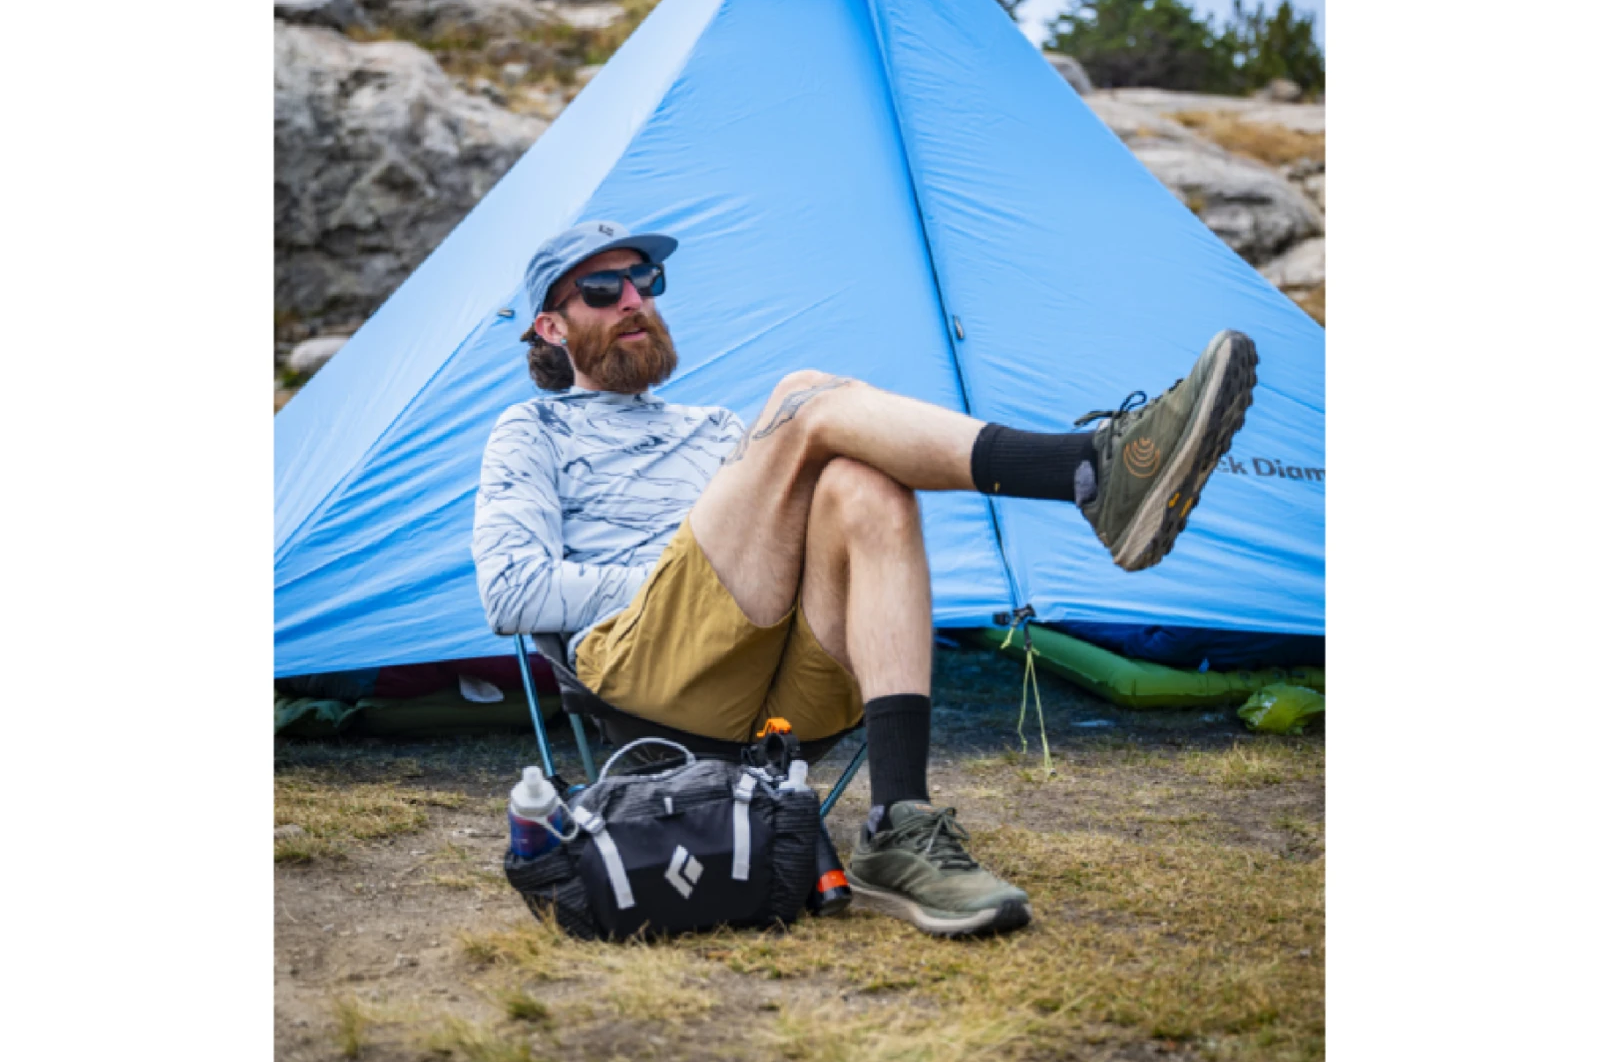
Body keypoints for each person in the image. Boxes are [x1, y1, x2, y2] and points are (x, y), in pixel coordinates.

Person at [473, 222, 1257, 937]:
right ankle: (1086, 470)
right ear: (551, 327)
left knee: (864, 485)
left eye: (645, 281)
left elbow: (764, 546)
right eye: (602, 289)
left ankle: (898, 822)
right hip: (647, 669)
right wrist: (664, 581)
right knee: (801, 395)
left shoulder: (712, 428)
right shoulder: (531, 428)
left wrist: (748, 564)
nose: (633, 300)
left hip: (780, 684)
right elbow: (510, 589)